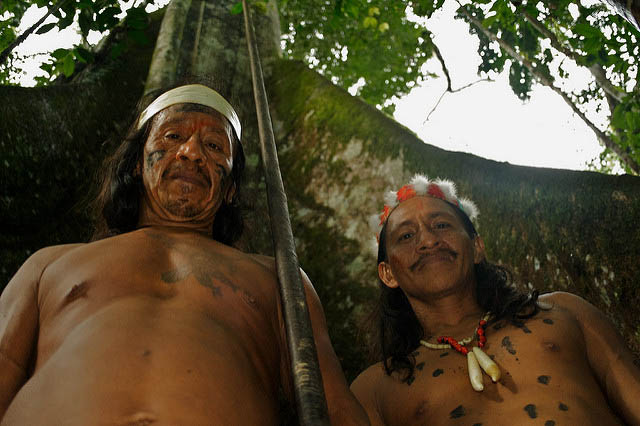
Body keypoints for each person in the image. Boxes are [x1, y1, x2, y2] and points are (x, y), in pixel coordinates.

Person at [0, 82, 368, 425]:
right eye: (173, 136)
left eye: (213, 146)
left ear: (230, 190)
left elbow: (333, 405)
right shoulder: (48, 264)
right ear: (135, 164)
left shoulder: (280, 279)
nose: (191, 152)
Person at [351, 174, 640, 425]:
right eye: (406, 236)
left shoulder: (563, 311)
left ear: (477, 247)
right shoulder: (374, 389)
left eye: (441, 225)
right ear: (388, 273)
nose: (428, 241)